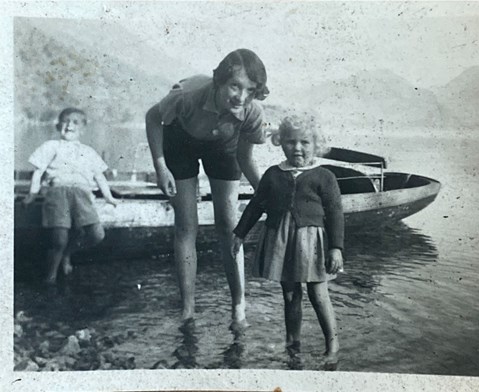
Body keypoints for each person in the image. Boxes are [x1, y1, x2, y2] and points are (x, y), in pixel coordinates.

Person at [145, 49, 269, 330]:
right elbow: (153, 118)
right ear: (219, 81)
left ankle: (238, 306)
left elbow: (245, 158)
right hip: (180, 143)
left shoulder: (251, 111)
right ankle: (188, 309)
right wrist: (161, 167)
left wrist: (265, 191)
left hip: (223, 148)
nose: (240, 96)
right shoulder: (187, 95)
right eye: (235, 86)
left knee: (229, 225)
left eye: (250, 90)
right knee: (187, 226)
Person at [232, 113, 344, 369]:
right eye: (291, 142)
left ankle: (333, 345)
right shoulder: (273, 174)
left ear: (316, 145)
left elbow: (336, 213)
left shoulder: (324, 176)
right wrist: (239, 233)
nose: (298, 148)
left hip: (312, 243)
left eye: (305, 142)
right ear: (281, 143)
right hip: (282, 241)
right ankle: (293, 344)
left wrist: (336, 248)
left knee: (318, 294)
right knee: (290, 294)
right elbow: (256, 205)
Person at [23, 107, 119, 284]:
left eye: (75, 122)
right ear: (58, 125)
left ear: (82, 129)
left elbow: (100, 177)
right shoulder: (51, 146)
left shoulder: (88, 151)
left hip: (82, 194)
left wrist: (108, 197)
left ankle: (67, 254)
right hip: (58, 193)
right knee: (59, 239)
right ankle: (50, 276)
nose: (69, 125)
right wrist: (32, 194)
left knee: (97, 235)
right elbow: (38, 173)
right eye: (66, 121)